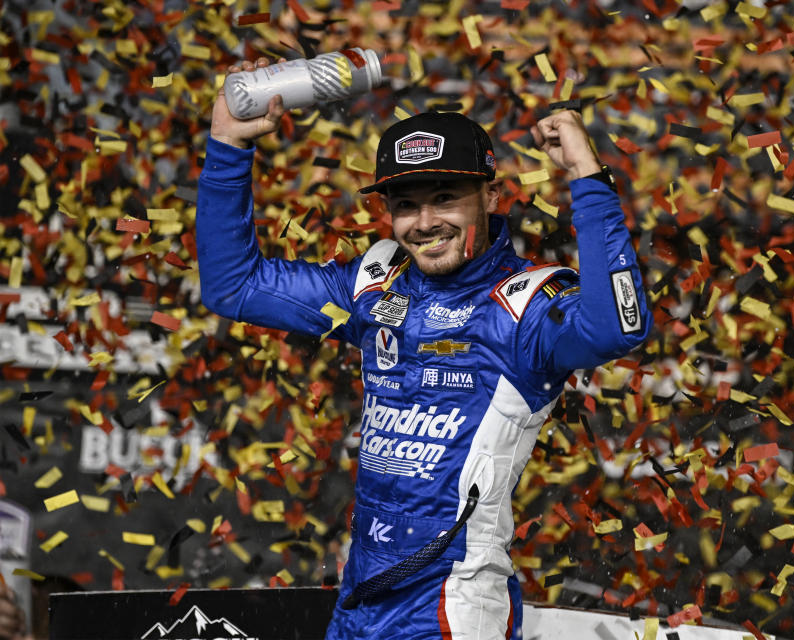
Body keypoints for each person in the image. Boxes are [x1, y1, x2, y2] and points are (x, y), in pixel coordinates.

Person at [197, 57, 652, 640]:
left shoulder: (528, 306)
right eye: (406, 205)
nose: (424, 222)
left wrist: (588, 177)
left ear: (490, 197)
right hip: (360, 597)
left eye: (445, 198)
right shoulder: (375, 284)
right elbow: (234, 286)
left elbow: (619, 326)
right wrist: (229, 146)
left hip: (453, 605)